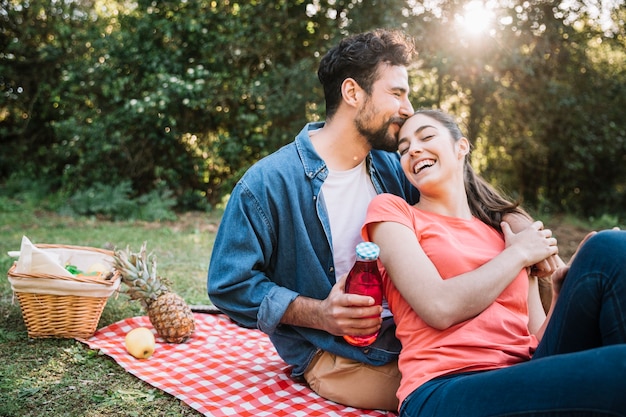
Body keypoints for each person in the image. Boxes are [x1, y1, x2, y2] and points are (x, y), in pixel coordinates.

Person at [208, 30, 547, 410]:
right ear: (353, 93)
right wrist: (319, 314)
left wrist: (537, 245)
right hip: (339, 353)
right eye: (397, 93)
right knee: (503, 386)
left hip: (423, 333)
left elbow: (482, 197)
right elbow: (229, 284)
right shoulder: (268, 183)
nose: (408, 108)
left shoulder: (395, 164)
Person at [362, 108, 626, 416]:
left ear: (461, 147)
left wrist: (559, 292)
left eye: (427, 136)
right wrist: (518, 255)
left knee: (605, 247)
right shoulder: (394, 212)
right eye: (404, 149)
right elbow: (438, 307)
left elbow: (535, 335)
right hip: (445, 387)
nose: (414, 150)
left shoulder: (503, 231)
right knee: (619, 368)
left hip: (523, 372)